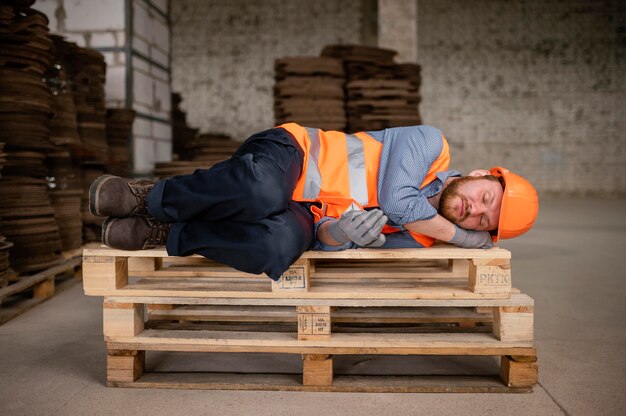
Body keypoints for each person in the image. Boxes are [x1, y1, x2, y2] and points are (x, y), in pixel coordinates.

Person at [89, 123, 539, 280]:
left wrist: (339, 235)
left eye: (484, 220)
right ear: (481, 174)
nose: (474, 211)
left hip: (305, 213)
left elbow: (324, 241)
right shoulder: (430, 145)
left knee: (275, 249)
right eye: (485, 198)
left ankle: (168, 232)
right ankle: (150, 197)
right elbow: (397, 202)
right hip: (293, 154)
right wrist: (461, 238)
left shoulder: (419, 241)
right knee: (261, 192)